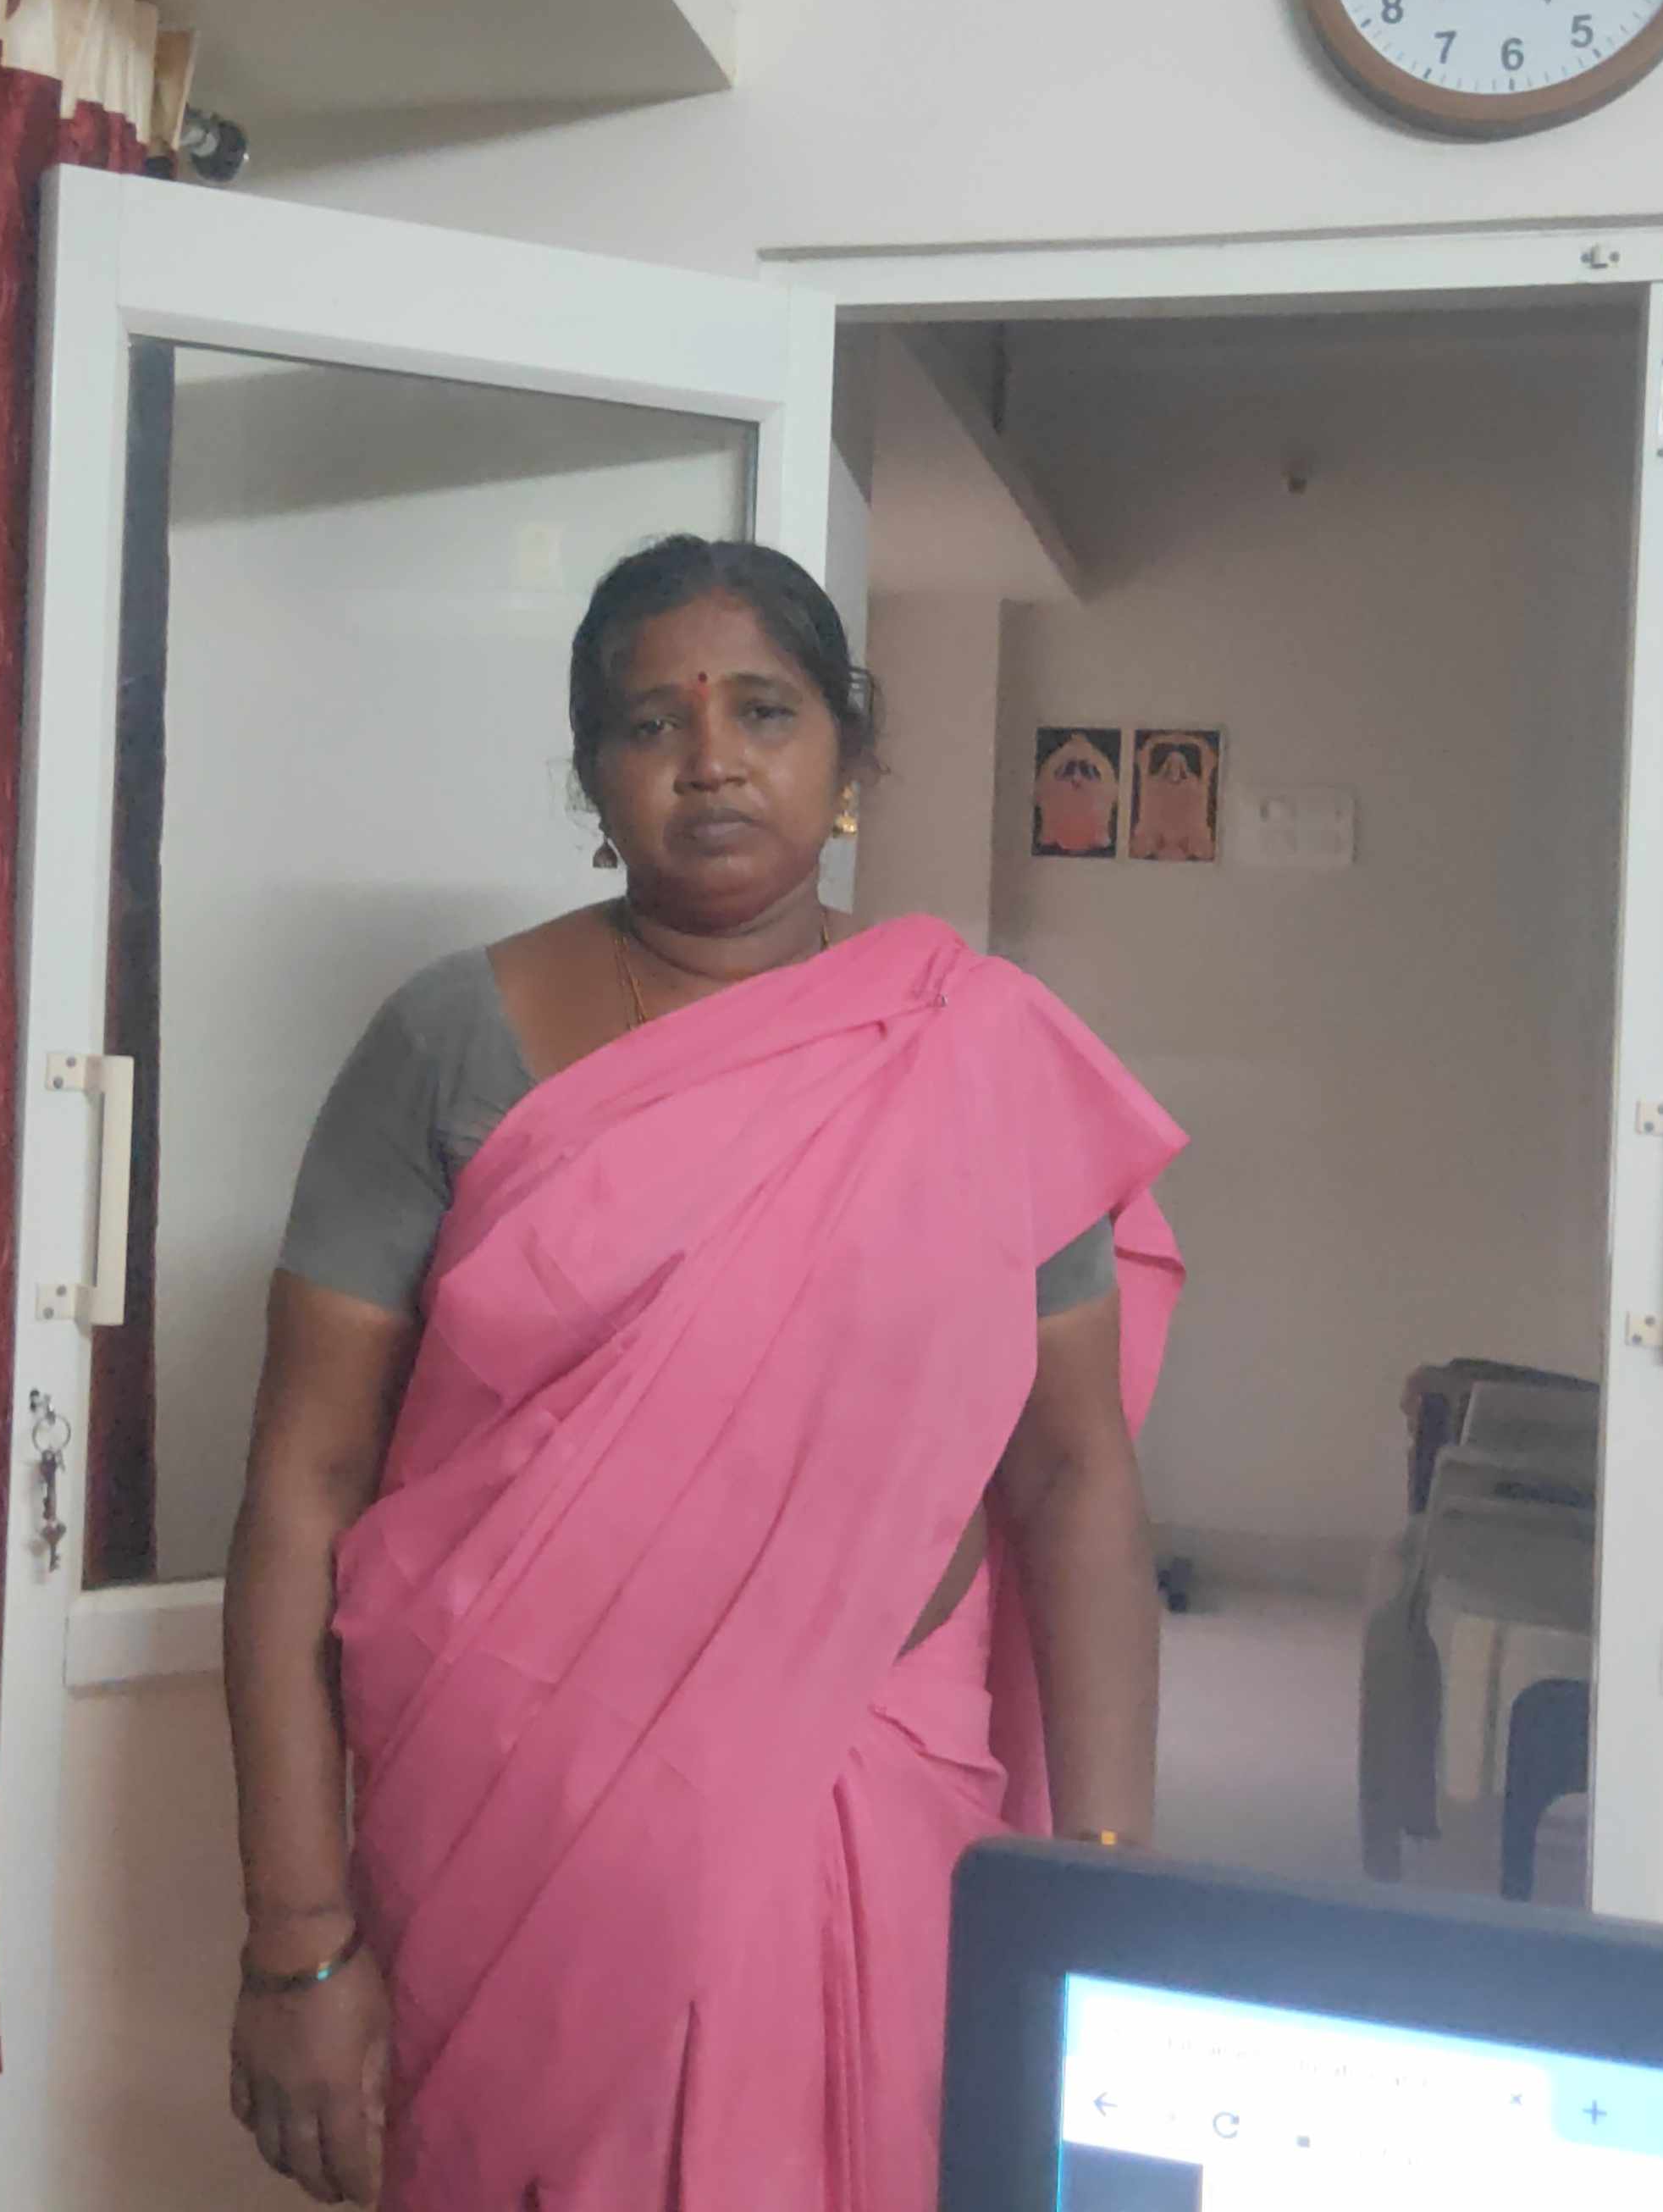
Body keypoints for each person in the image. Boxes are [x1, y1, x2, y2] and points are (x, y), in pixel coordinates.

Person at [222, 536, 1187, 2209]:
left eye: (764, 709)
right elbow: (302, 1489)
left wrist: (1100, 1885)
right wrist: (296, 1938)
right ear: (592, 775)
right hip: (518, 1829)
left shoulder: (973, 1053)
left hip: (868, 1794)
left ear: (846, 752)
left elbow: (1071, 1473)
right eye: (650, 722)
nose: (712, 759)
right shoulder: (452, 1041)